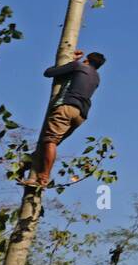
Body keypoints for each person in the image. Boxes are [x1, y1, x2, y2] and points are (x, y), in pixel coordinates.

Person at [21, 49, 105, 188]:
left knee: (50, 141)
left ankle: (43, 178)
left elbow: (48, 73)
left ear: (87, 60)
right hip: (81, 114)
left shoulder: (79, 66)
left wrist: (73, 60)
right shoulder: (97, 77)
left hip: (67, 107)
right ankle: (25, 167)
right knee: (50, 143)